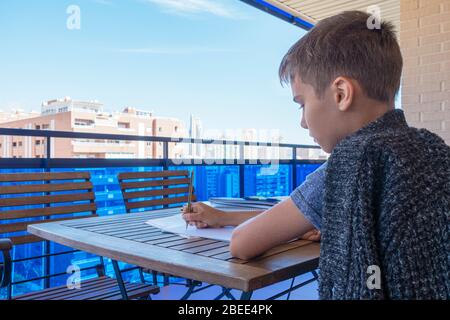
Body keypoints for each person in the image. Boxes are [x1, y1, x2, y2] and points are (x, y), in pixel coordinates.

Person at [184, 10, 450, 299]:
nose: (302, 121)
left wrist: (232, 223)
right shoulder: (430, 150)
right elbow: (297, 217)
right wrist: (224, 216)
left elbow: (242, 244)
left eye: (302, 103)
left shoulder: (353, 163)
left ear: (341, 94)